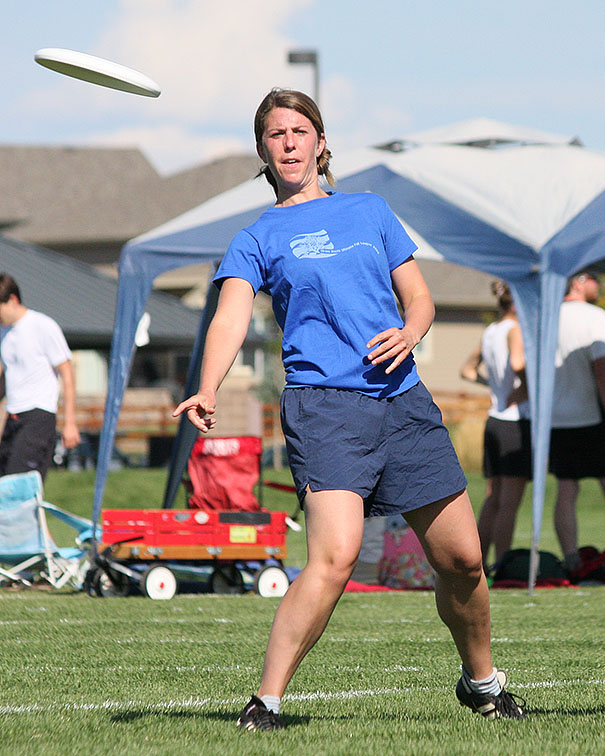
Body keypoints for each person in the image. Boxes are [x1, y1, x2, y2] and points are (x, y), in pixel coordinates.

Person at [173, 88, 525, 730]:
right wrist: (207, 385)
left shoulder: (370, 211)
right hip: (325, 408)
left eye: (299, 130)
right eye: (275, 133)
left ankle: (482, 682)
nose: (288, 142)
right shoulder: (256, 237)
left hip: (403, 402)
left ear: (321, 143)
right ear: (262, 151)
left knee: (464, 560)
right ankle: (267, 701)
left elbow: (419, 298)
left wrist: (412, 331)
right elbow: (229, 316)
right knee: (335, 557)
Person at [549, 270, 605, 573]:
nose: (598, 284)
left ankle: (570, 557)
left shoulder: (547, 316)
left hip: (556, 417)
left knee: (567, 488)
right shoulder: (594, 316)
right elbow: (603, 373)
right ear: (577, 281)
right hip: (590, 415)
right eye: (593, 278)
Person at [460, 280, 530, 570]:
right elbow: (518, 363)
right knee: (509, 504)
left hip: (495, 419)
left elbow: (466, 370)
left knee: (493, 498)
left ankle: (482, 561)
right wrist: (526, 386)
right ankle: (502, 563)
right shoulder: (514, 329)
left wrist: (495, 387)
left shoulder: (490, 331)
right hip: (515, 421)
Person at [0, 274, 80, 479]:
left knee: (18, 484)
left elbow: (67, 372)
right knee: (4, 484)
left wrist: (70, 422)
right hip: (13, 417)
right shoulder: (4, 332)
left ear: (13, 300)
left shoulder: (42, 326)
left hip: (38, 416)